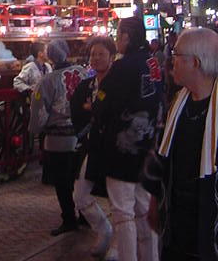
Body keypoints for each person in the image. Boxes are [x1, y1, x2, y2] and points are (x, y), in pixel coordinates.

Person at [143, 27, 218, 261]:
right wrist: (154, 201)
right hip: (176, 224)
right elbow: (160, 155)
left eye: (176, 55)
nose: (170, 61)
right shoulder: (178, 103)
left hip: (208, 223)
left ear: (195, 62)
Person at [93, 16, 161, 261]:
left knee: (123, 213)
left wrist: (96, 109)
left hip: (122, 149)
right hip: (148, 147)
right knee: (143, 210)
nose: (117, 39)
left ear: (126, 37)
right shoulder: (153, 63)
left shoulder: (122, 67)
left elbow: (102, 102)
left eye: (118, 34)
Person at [29, 38, 88, 236]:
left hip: (57, 139)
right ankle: (86, 214)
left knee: (63, 183)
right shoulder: (83, 72)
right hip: (82, 135)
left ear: (50, 57)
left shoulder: (47, 81)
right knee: (81, 179)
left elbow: (39, 113)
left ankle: (69, 218)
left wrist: (36, 129)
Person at [70, 36, 116, 258]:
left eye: (101, 54)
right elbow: (77, 110)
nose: (96, 58)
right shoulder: (85, 86)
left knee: (118, 199)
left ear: (112, 57)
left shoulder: (119, 84)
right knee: (80, 195)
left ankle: (117, 245)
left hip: (116, 147)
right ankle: (104, 229)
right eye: (93, 54)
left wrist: (95, 109)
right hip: (92, 145)